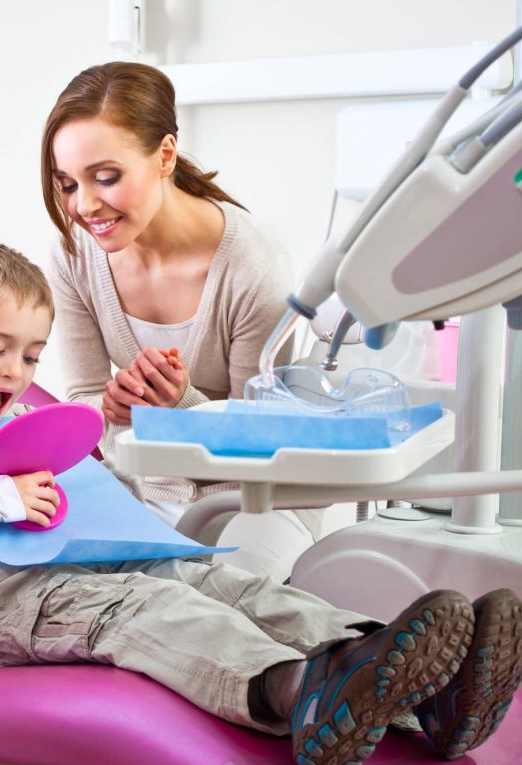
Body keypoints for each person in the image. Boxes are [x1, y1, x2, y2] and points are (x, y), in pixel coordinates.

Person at [0, 241, 522, 765]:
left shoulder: (34, 419)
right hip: (15, 602)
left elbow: (93, 503)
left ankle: (424, 692)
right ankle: (301, 694)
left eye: (31, 356)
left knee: (234, 587)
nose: (15, 372)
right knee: (161, 614)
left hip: (116, 563)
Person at [41, 61, 319, 580]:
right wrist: (110, 408)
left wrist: (178, 406)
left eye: (106, 177)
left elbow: (262, 443)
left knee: (218, 595)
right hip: (149, 486)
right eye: (68, 184)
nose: (85, 205)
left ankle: (352, 653)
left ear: (164, 155)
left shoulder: (253, 266)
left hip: (256, 498)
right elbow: (80, 397)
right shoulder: (75, 256)